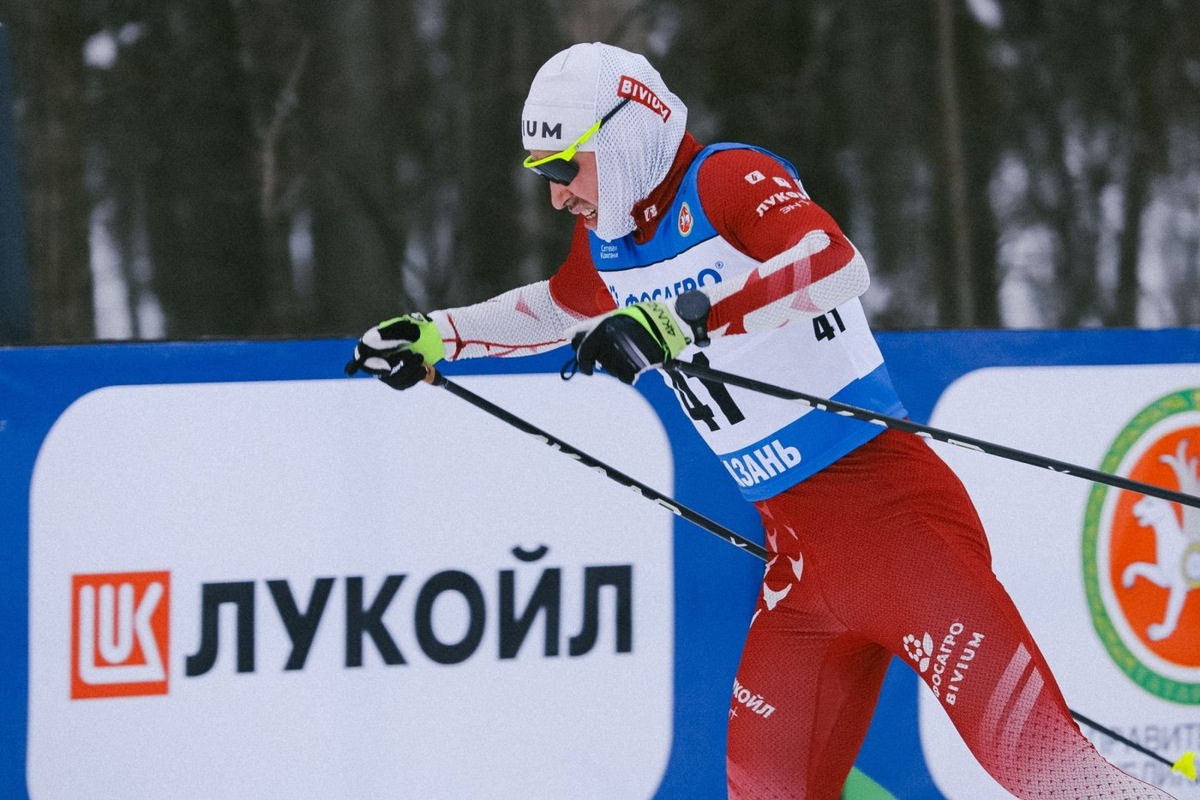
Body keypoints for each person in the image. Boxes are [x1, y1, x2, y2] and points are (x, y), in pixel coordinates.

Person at [348, 42, 1175, 800]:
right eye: (544, 173)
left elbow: (833, 263)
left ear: (625, 136)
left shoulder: (725, 178)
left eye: (567, 164)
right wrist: (436, 337)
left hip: (896, 524)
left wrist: (682, 320)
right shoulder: (608, 241)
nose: (559, 191)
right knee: (765, 789)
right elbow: (552, 311)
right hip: (802, 568)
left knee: (1053, 775)